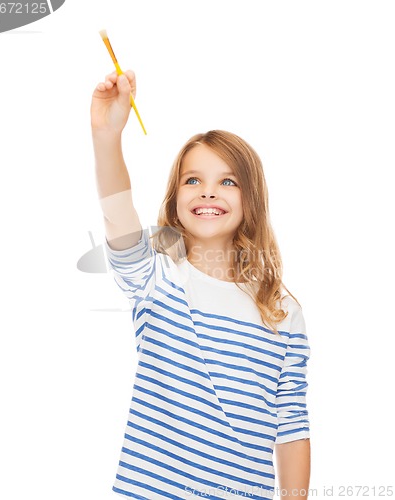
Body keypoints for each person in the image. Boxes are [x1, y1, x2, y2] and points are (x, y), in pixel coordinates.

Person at [91, 70, 311, 500]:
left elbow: (291, 424)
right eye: (193, 180)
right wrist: (106, 136)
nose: (208, 192)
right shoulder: (157, 276)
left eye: (227, 181)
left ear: (253, 201)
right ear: (175, 197)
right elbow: (118, 214)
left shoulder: (282, 309)